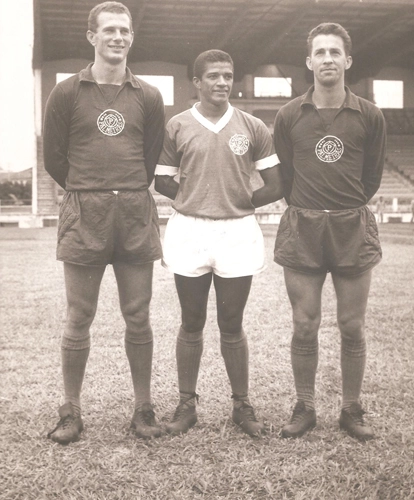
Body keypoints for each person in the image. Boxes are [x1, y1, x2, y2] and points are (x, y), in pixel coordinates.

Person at [43, 1, 165, 444]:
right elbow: (54, 159)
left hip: (134, 210)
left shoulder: (149, 96)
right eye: (109, 29)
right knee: (80, 314)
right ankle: (71, 411)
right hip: (84, 211)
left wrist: (122, 188)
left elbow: (150, 158)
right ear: (91, 36)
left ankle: (143, 409)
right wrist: (88, 189)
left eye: (125, 30)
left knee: (138, 314)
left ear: (132, 37)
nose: (118, 37)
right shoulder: (66, 92)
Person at [155, 49, 282, 436]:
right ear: (197, 82)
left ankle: (241, 405)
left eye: (228, 76)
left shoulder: (253, 126)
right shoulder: (177, 124)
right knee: (191, 321)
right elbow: (162, 180)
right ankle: (186, 404)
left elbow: (277, 184)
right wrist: (197, 200)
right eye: (213, 76)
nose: (223, 82)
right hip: (190, 229)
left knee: (232, 323)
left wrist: (240, 200)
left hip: (237, 231)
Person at [273, 23, 386, 441]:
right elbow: (284, 173)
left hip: (350, 225)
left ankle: (350, 410)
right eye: (319, 52)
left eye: (334, 52)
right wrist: (310, 208)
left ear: (347, 61)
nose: (327, 59)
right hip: (303, 225)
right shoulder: (288, 115)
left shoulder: (369, 114)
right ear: (309, 62)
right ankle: (304, 407)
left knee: (352, 325)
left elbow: (371, 177)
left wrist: (343, 208)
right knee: (304, 324)